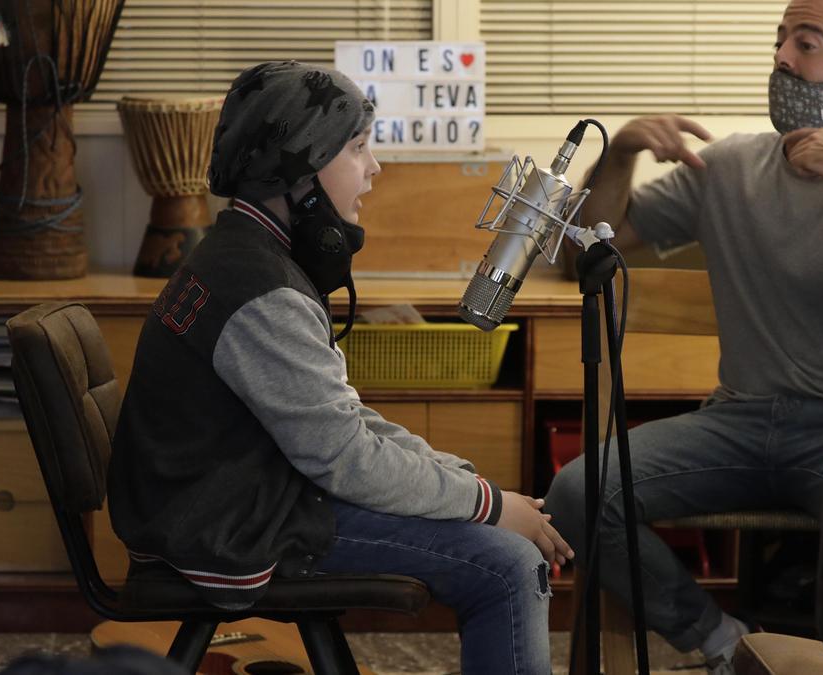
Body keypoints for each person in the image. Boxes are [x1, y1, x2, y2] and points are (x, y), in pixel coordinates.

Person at [107, 61, 572, 675]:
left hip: (233, 501)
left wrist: (459, 481)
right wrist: (486, 504)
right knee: (508, 562)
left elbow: (341, 421)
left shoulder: (242, 255)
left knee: (488, 527)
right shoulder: (261, 291)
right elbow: (345, 459)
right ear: (295, 167)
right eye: (357, 148)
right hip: (230, 528)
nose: (374, 169)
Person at [544, 0, 823, 672]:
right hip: (737, 418)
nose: (784, 56)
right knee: (578, 492)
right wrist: (622, 152)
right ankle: (722, 640)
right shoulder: (728, 166)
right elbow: (581, 250)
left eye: (808, 42)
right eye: (781, 39)